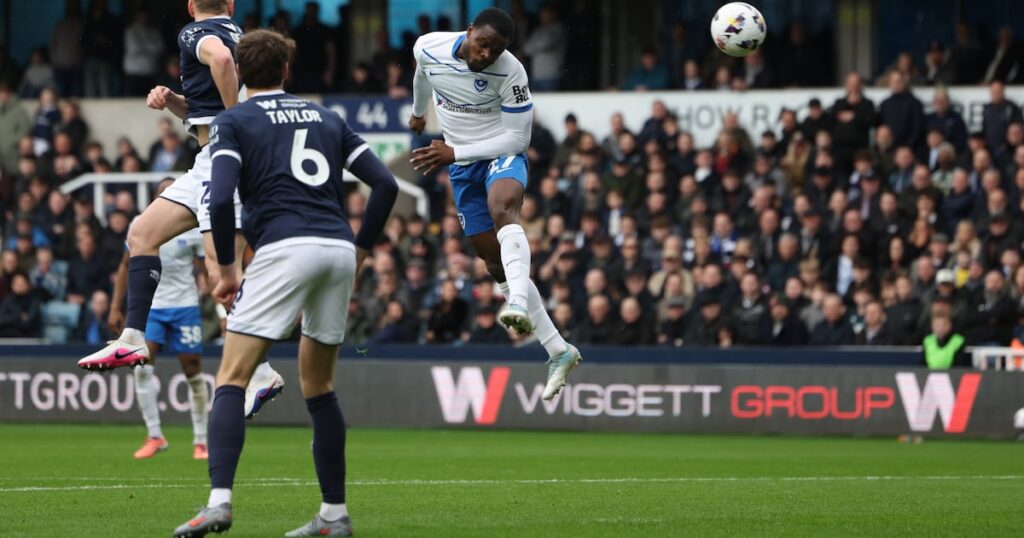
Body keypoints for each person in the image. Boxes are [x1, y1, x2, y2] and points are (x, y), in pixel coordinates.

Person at [173, 29, 398, 537]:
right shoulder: (327, 117)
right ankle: (334, 516)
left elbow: (221, 191)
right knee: (319, 386)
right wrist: (360, 249)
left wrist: (228, 266)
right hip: (337, 249)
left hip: (282, 248)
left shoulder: (234, 120)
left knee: (231, 378)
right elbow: (384, 184)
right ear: (287, 71)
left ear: (241, 75)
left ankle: (219, 503)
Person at [78, 0, 282, 413]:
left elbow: (221, 62)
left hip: (225, 161)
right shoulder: (240, 35)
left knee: (221, 274)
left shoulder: (194, 34)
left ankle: (260, 370)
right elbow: (210, 100)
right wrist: (174, 99)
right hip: (207, 161)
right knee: (142, 233)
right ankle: (133, 336)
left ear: (191, 7)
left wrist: (234, 122)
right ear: (231, 5)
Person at [408, 7, 581, 401]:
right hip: (461, 163)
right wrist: (419, 114)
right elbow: (421, 74)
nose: (487, 54)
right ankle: (559, 350)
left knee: (504, 209)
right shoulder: (428, 47)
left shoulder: (512, 72)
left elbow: (517, 140)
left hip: (498, 152)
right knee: (492, 261)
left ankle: (517, 301)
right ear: (470, 32)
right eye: (483, 44)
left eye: (496, 49)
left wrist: (456, 152)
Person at [108, 180, 213, 461]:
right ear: (156, 198)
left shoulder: (192, 227)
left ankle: (201, 441)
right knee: (141, 367)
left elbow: (206, 269)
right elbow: (125, 266)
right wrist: (115, 307)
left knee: (192, 369)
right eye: (162, 193)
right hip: (153, 307)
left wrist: (218, 304)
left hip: (185, 306)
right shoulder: (140, 224)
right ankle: (155, 435)